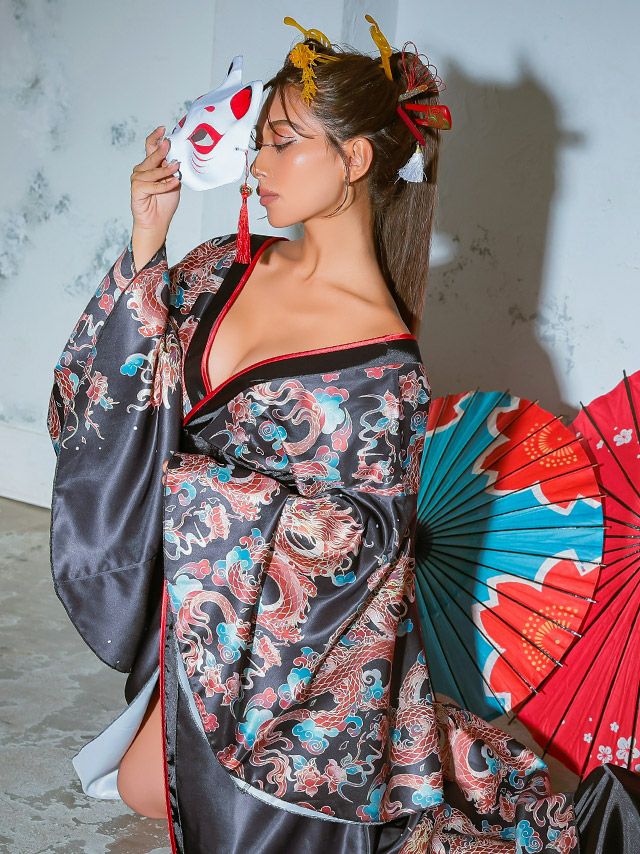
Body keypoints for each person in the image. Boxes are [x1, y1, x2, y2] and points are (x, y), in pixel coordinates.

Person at [48, 25, 580, 854]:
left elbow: (359, 551)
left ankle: (412, 759)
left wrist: (197, 493)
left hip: (287, 663)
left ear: (355, 159)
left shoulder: (384, 369)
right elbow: (111, 390)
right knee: (143, 786)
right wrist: (147, 241)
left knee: (151, 790)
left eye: (282, 143)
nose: (256, 164)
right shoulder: (223, 261)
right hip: (197, 614)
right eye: (260, 141)